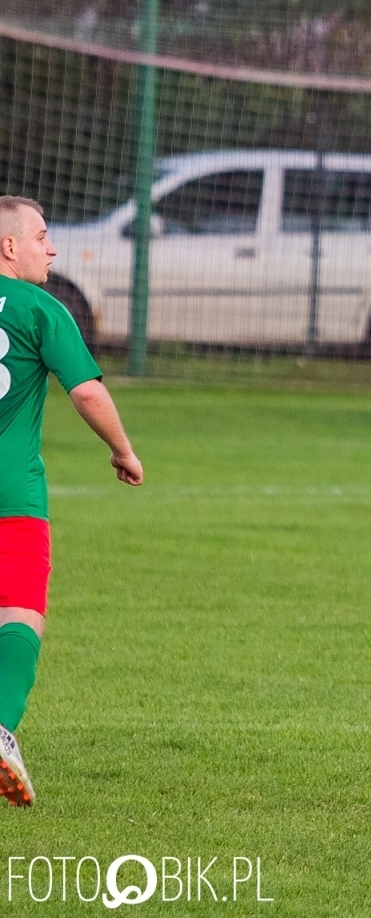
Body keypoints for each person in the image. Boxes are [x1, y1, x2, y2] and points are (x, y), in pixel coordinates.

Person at [0, 195, 143, 808]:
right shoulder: (40, 310)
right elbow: (85, 391)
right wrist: (122, 449)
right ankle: (0, 729)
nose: (52, 248)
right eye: (40, 237)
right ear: (8, 247)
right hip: (13, 494)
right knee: (20, 612)